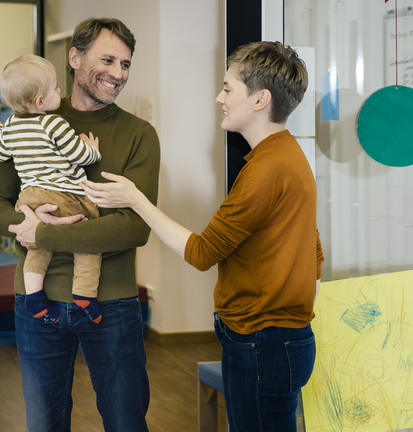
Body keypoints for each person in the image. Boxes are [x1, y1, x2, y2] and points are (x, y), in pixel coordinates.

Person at [81, 41, 324, 432]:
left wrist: (136, 200)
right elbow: (312, 249)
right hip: (279, 339)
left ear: (261, 99)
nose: (218, 98)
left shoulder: (266, 169)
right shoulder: (287, 156)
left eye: (228, 89)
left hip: (264, 342)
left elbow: (201, 252)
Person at [0, 17, 159, 432]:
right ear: (74, 58)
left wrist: (42, 232)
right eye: (108, 59)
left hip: (112, 305)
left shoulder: (139, 134)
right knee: (43, 425)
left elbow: (134, 228)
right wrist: (25, 218)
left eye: (127, 64)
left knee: (125, 423)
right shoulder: (26, 121)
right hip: (35, 305)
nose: (119, 73)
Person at [0, 54, 104, 325]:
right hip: (65, 196)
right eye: (55, 89)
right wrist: (93, 149)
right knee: (88, 242)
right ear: (41, 101)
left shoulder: (12, 126)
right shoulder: (54, 123)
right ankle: (85, 293)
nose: (60, 92)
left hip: (30, 198)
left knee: (37, 248)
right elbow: (79, 155)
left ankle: (35, 296)